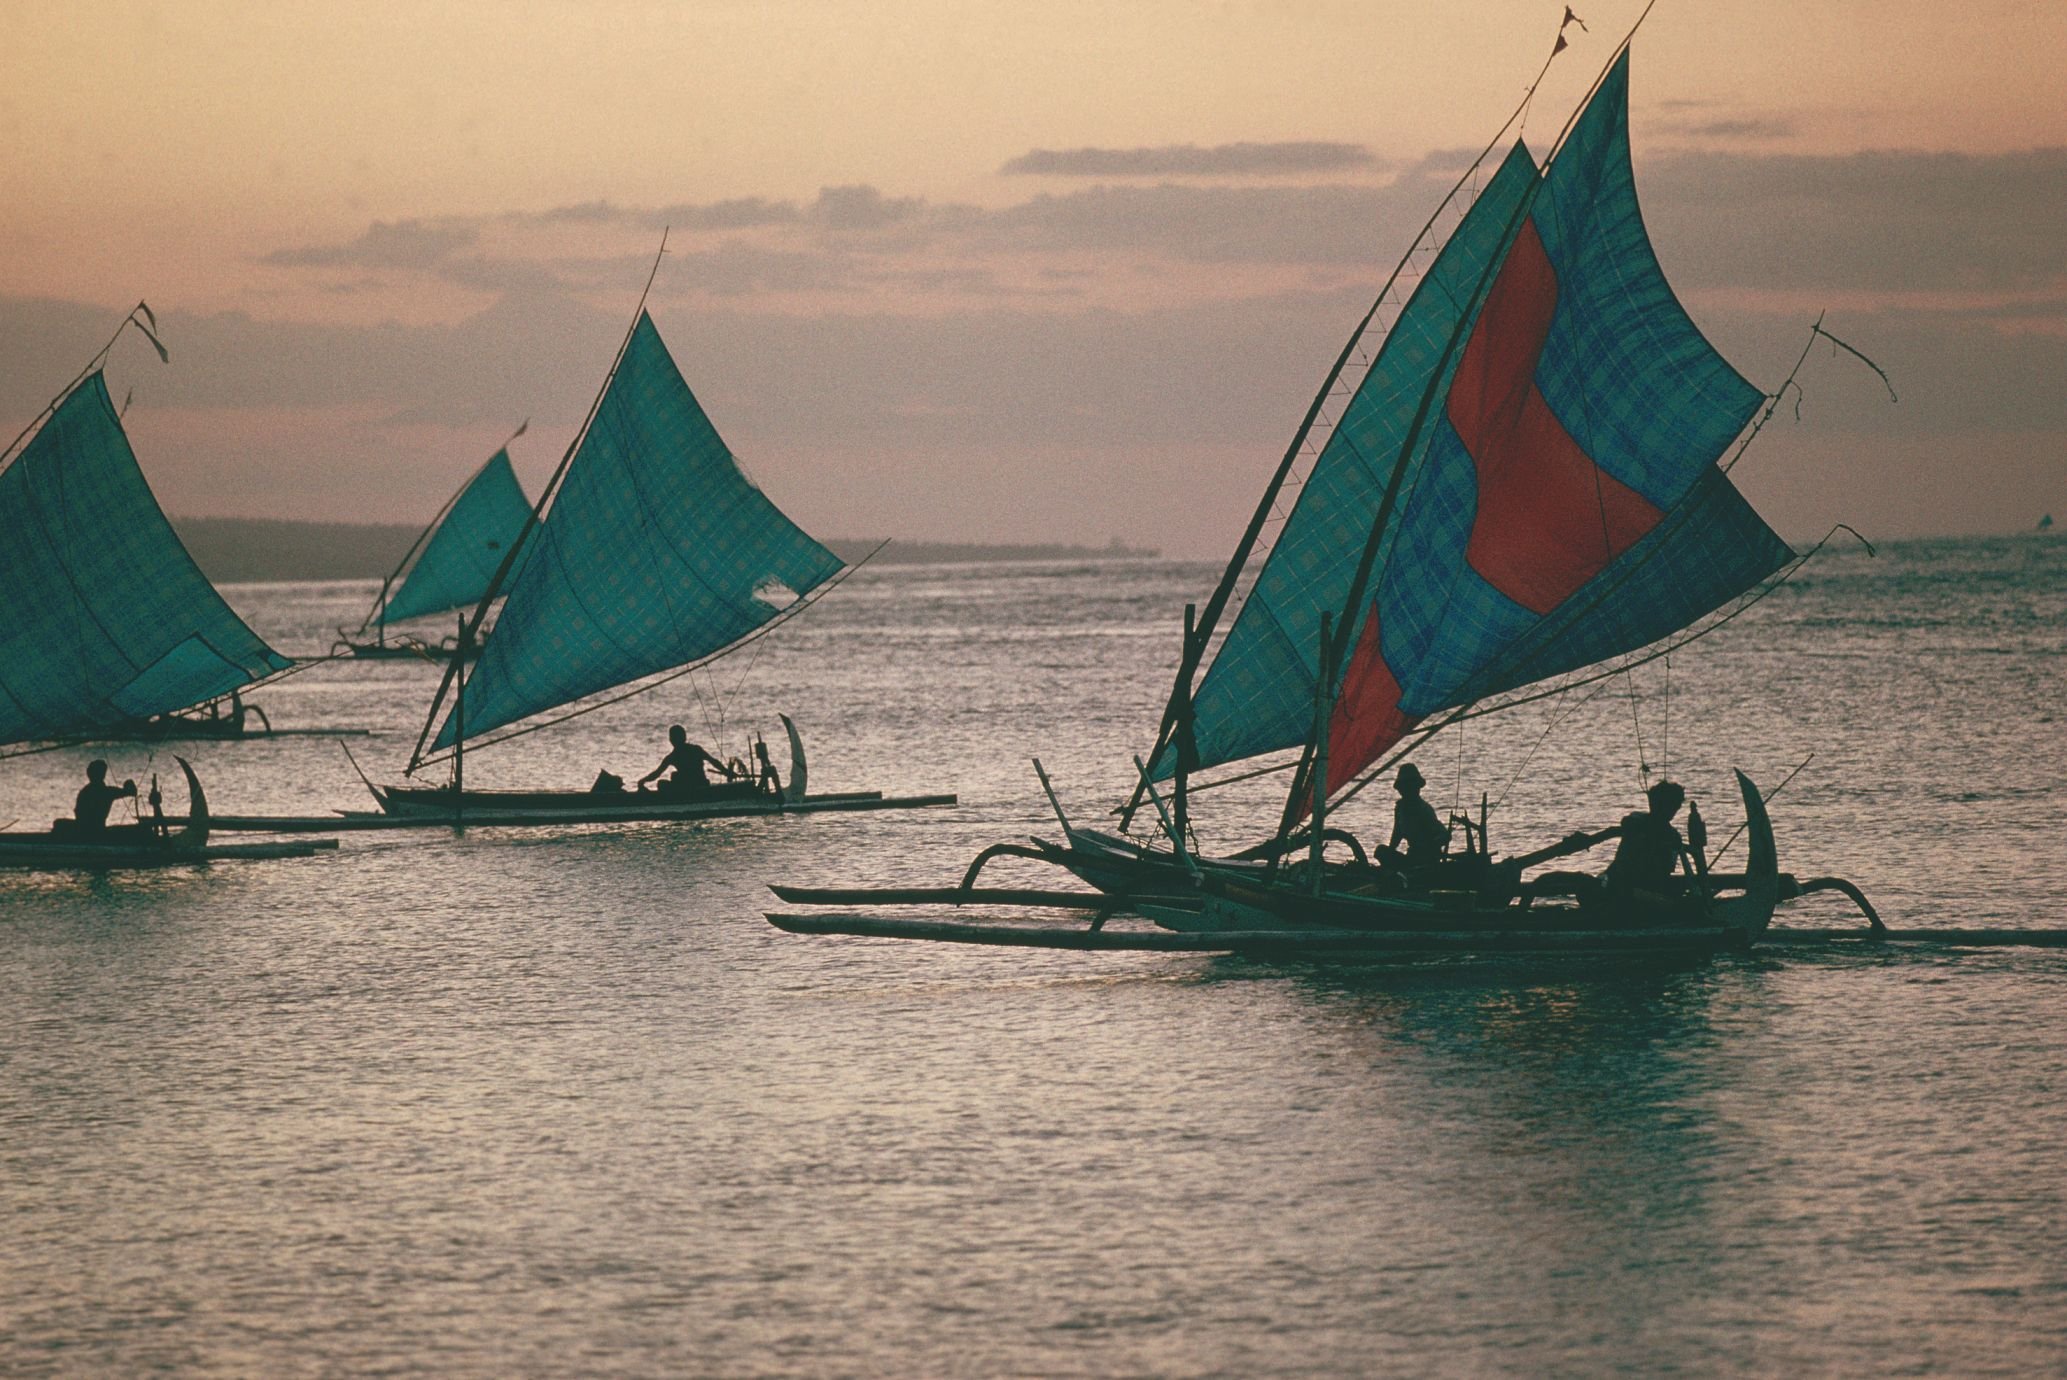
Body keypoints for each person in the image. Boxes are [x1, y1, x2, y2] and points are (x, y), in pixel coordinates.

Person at [1601, 779, 1688, 899]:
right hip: (1625, 886)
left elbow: (1665, 870)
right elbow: (1628, 822)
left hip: (1641, 888)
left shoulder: (1671, 835)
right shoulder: (1636, 822)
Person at [1378, 762, 1447, 872]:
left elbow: (1444, 835)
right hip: (1411, 857)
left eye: (1409, 787)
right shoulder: (1400, 808)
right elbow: (1397, 834)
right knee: (1381, 851)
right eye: (1404, 787)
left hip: (1425, 861)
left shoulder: (1424, 809)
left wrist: (1430, 847)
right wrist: (1390, 852)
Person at [638, 725, 723, 796]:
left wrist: (642, 781)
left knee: (661, 783)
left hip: (688, 787)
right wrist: (727, 772)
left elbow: (656, 774)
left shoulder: (673, 756)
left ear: (671, 740)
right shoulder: (696, 749)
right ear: (684, 737)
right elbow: (714, 762)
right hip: (701, 783)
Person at [71, 760, 138, 835]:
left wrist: (129, 789)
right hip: (97, 831)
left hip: (84, 831)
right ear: (103, 775)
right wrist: (129, 787)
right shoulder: (106, 792)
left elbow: (130, 792)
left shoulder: (85, 792)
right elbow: (130, 792)